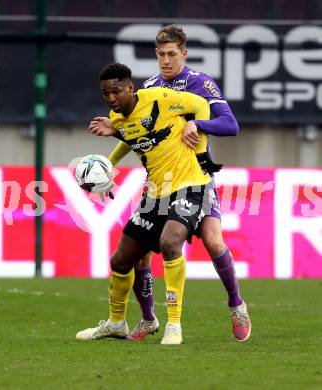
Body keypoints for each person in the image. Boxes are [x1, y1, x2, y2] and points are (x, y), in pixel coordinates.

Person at [107, 24, 251, 342]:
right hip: (160, 183)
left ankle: (237, 305)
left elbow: (230, 125)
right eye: (161, 54)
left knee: (213, 241)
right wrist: (110, 159)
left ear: (184, 54)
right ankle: (148, 319)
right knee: (140, 250)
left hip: (196, 179)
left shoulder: (199, 83)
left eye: (172, 54)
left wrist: (197, 123)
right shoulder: (150, 87)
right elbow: (136, 133)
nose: (166, 61)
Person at [76, 62, 213, 345]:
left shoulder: (159, 98)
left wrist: (196, 133)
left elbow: (200, 104)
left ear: (130, 88)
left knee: (170, 242)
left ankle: (174, 325)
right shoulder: (117, 118)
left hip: (189, 182)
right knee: (121, 259)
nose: (112, 99)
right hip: (155, 192)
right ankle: (116, 323)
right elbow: (134, 135)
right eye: (105, 93)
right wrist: (107, 165)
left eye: (116, 92)